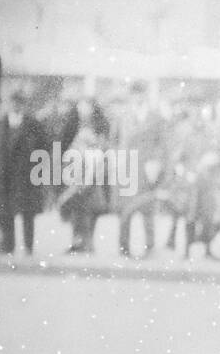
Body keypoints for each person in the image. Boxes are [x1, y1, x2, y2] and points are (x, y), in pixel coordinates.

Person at [0, 89, 48, 256]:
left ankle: (29, 246)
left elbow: (44, 150)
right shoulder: (0, 124)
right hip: (4, 175)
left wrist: (40, 173)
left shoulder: (33, 124)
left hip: (26, 176)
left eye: (20, 102)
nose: (16, 105)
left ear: (24, 104)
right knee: (5, 212)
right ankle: (8, 245)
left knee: (28, 213)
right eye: (13, 102)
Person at [116, 84, 172, 259]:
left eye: (140, 95)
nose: (137, 98)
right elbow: (115, 141)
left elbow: (162, 144)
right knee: (126, 210)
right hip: (128, 168)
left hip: (147, 169)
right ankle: (124, 247)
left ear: (145, 96)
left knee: (147, 209)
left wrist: (155, 163)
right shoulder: (124, 117)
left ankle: (150, 247)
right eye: (134, 95)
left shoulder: (156, 118)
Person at [56, 96, 111, 254]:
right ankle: (77, 241)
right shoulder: (72, 123)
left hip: (94, 171)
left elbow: (104, 146)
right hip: (74, 171)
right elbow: (63, 143)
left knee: (91, 208)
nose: (83, 110)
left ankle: (88, 241)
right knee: (76, 208)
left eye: (86, 106)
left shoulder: (100, 124)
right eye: (81, 106)